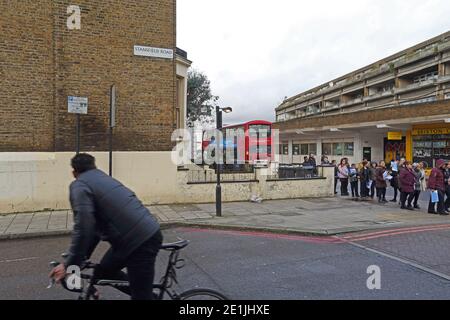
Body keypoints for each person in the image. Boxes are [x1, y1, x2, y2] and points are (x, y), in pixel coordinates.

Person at [49, 153, 163, 300]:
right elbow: (93, 230)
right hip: (132, 238)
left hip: (141, 241)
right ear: (94, 166)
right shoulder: (102, 177)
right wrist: (80, 258)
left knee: (141, 295)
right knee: (103, 273)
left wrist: (70, 264)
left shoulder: (79, 185)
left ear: (74, 172)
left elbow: (83, 228)